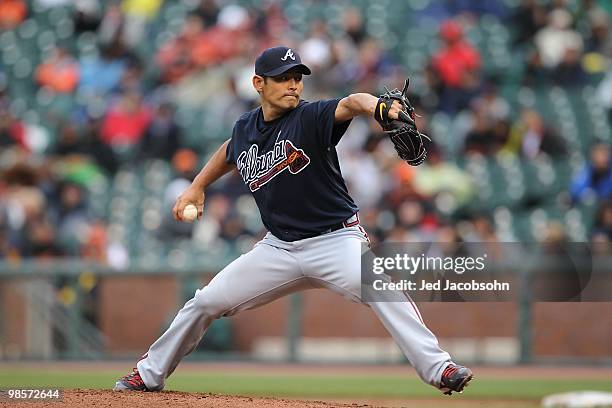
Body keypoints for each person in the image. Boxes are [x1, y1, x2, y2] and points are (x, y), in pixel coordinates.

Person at [113, 46, 473, 396]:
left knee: (382, 290)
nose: (293, 85)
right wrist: (197, 186)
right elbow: (229, 150)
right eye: (282, 78)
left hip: (336, 242)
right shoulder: (246, 128)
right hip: (279, 248)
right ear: (258, 84)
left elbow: (351, 103)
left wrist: (377, 106)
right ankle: (148, 374)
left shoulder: (311, 117)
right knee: (205, 302)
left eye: (297, 78)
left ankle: (439, 368)